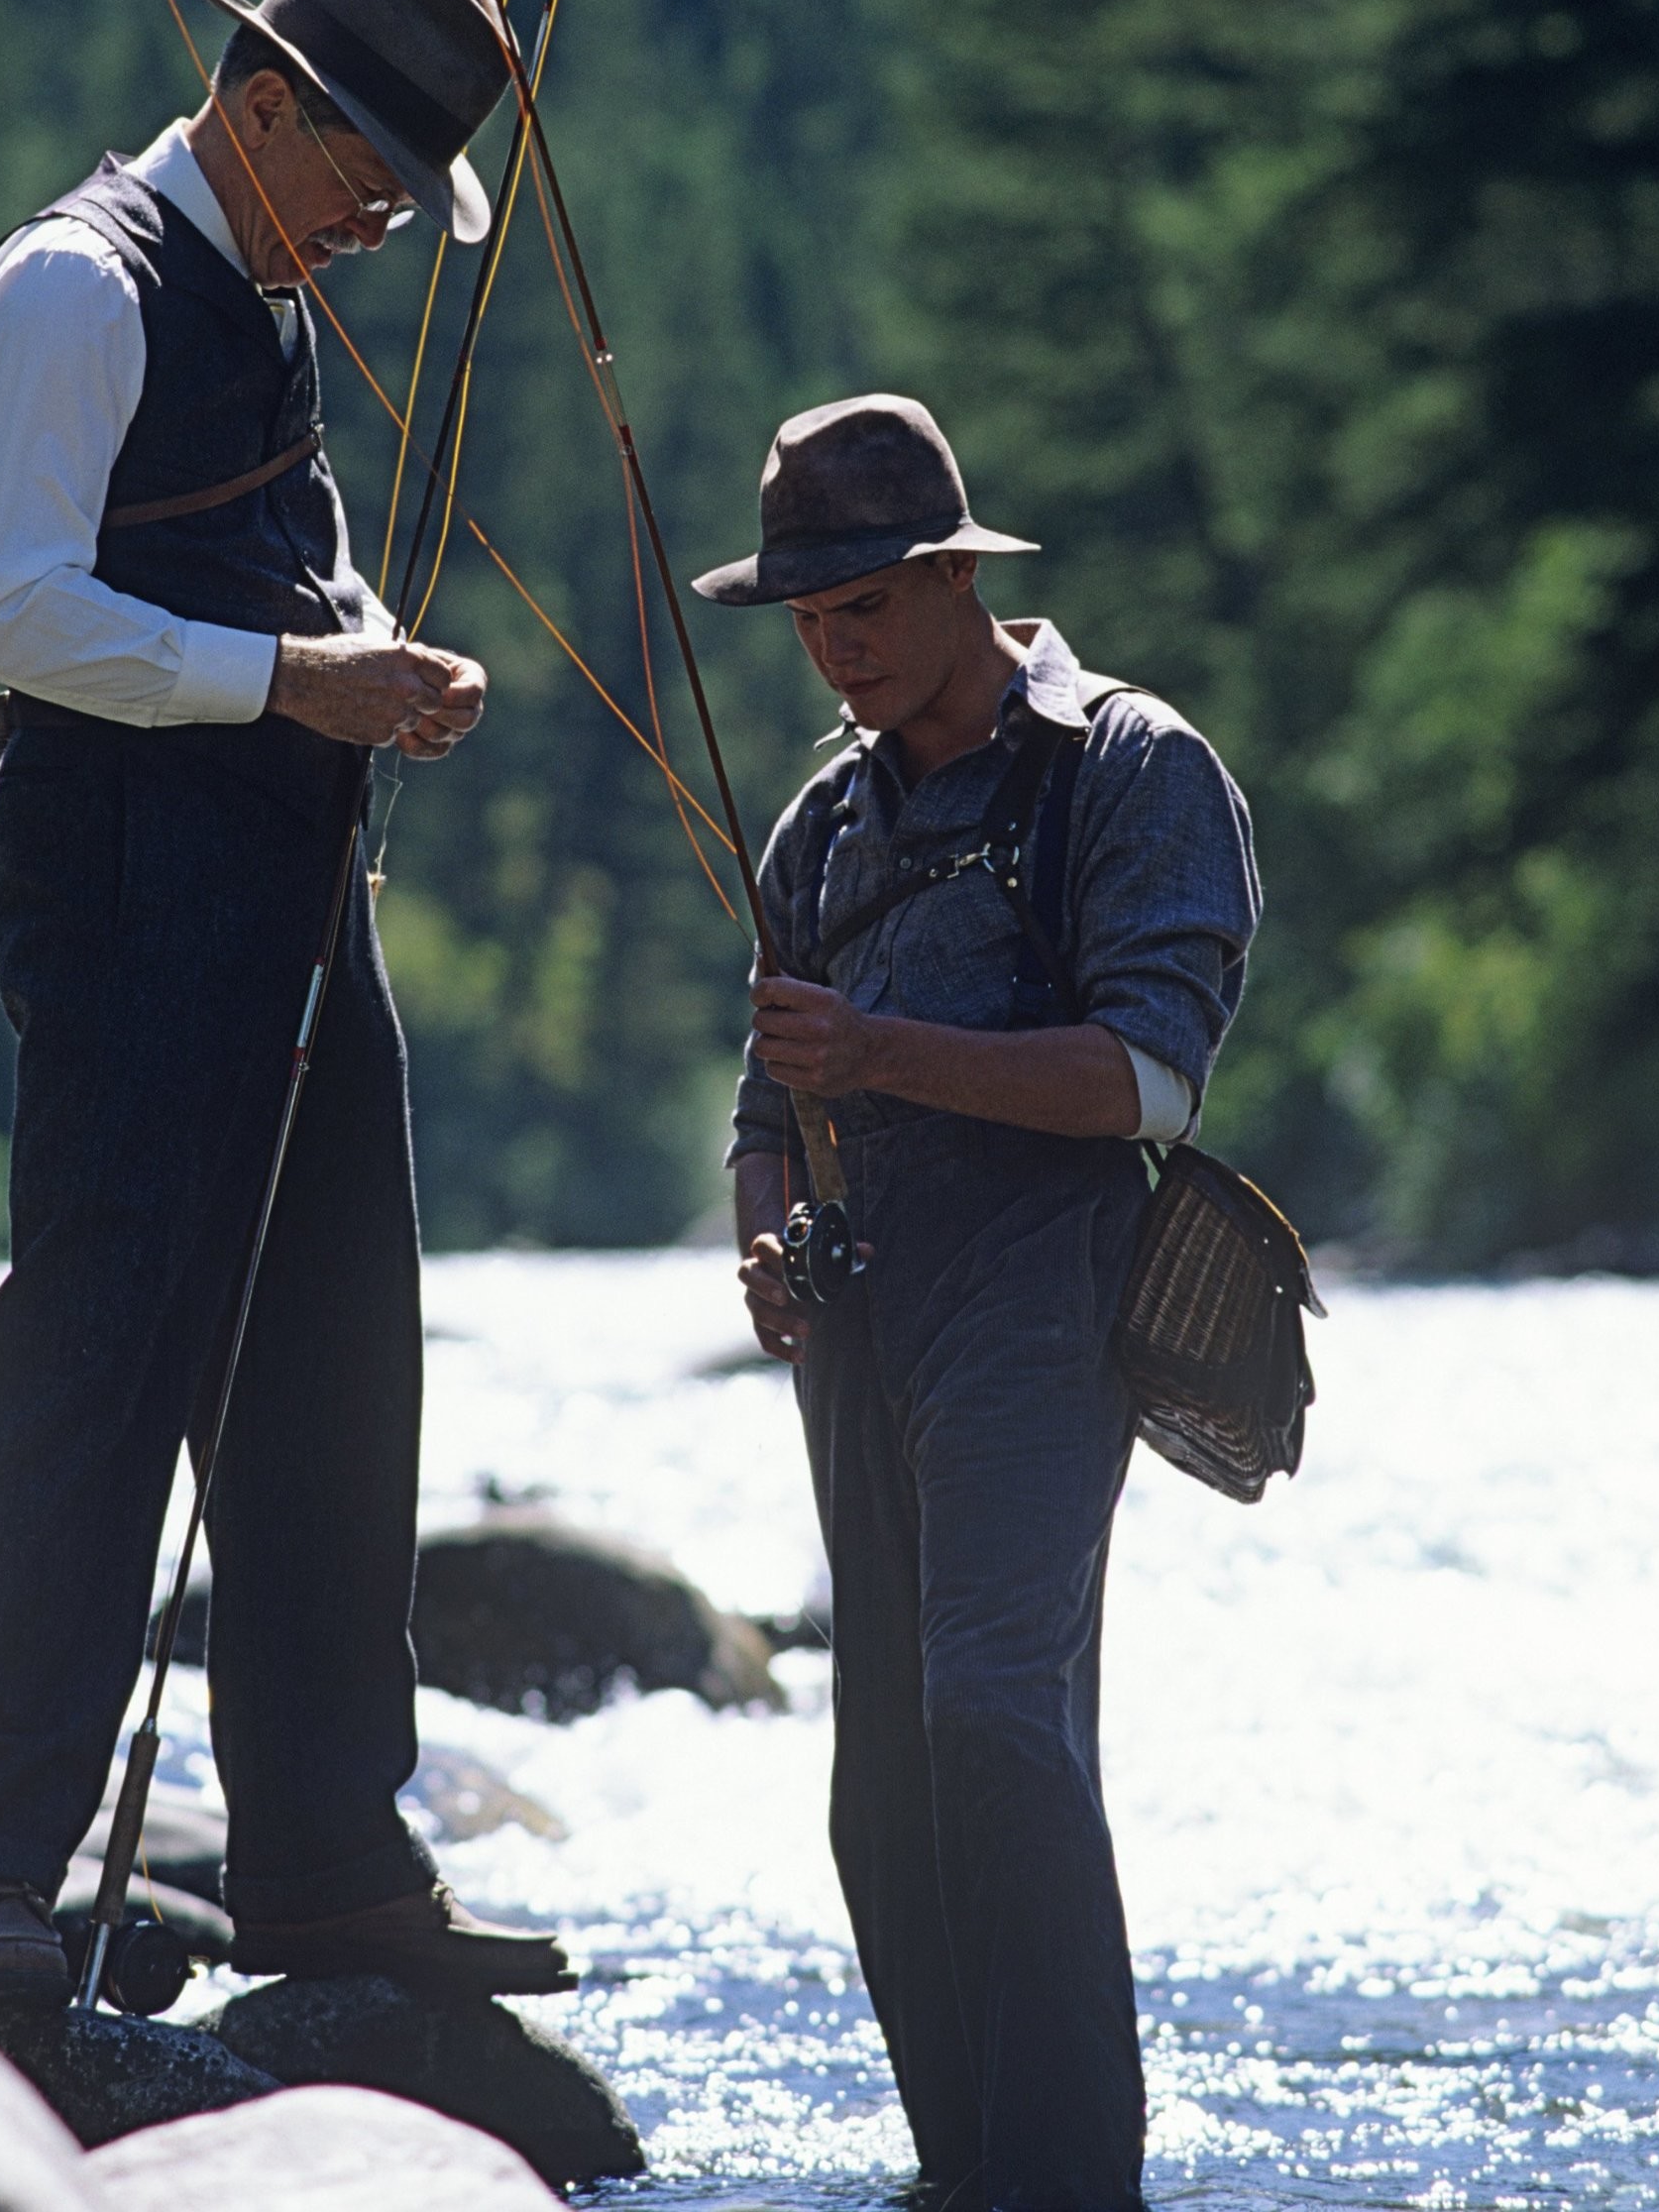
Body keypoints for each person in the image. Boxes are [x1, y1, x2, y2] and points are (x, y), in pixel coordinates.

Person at [0, 0, 573, 2018]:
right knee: (98, 1355)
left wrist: (354, 641)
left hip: (282, 880)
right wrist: (300, 671)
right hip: (120, 885)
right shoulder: (68, 284)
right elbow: (5, 611)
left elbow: (256, 535)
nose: (382, 215)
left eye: (403, 187)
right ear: (259, 101)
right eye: (366, 166)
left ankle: (325, 1863)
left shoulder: (267, 283)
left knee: (336, 1359)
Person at [696, 393, 1261, 2212]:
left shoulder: (1131, 767)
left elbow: (1147, 1080)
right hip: (861, 1324)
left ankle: (1074, 2178)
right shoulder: (820, 822)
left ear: (955, 574)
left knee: (996, 1721)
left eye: (861, 604)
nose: (831, 645)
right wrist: (769, 1225)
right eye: (804, 616)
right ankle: (967, 2175)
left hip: (1046, 1294)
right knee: (880, 1780)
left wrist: (885, 1054)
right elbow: (765, 1099)